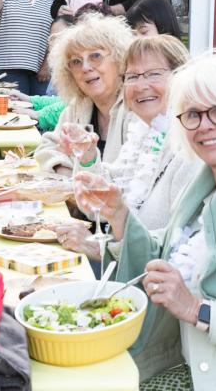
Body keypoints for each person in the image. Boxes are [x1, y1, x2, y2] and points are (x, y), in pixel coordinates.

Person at [69, 52, 216, 391]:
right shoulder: (206, 183)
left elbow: (192, 301)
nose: (205, 126)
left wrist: (196, 309)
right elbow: (169, 257)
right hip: (193, 373)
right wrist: (119, 214)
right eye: (192, 115)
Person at [58, 35, 196, 261]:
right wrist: (88, 157)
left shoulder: (191, 146)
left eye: (153, 74)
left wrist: (99, 251)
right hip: (121, 263)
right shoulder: (145, 134)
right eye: (132, 76)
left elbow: (175, 245)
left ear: (181, 78)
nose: (141, 86)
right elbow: (106, 203)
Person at [35, 12, 134, 173]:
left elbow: (126, 176)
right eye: (76, 61)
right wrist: (63, 169)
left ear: (119, 59)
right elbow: (48, 146)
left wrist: (76, 177)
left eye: (95, 56)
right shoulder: (80, 106)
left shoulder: (135, 107)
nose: (85, 67)